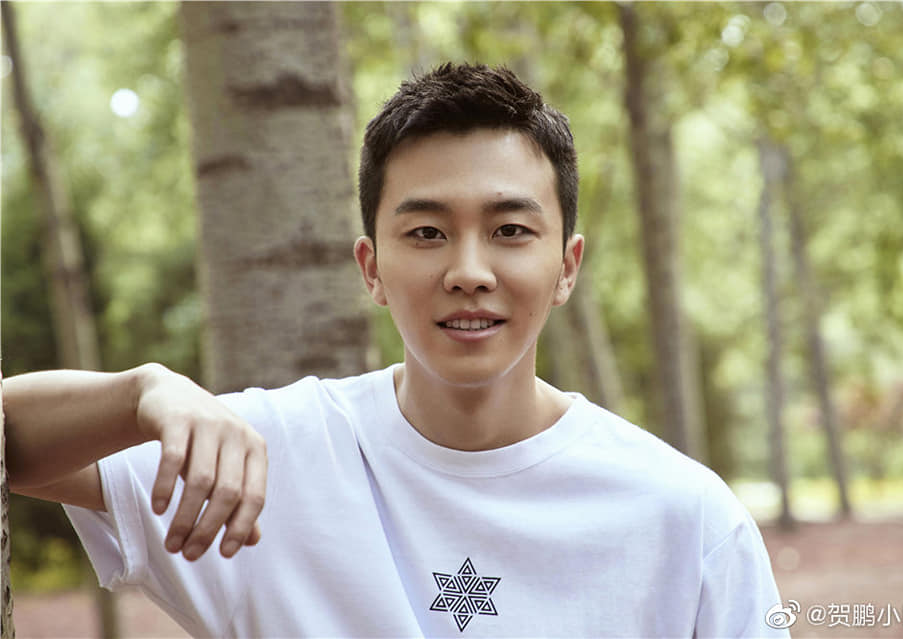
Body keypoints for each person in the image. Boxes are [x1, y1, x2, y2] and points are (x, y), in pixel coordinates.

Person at [5, 63, 788, 638]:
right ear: (371, 267)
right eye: (427, 232)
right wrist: (143, 393)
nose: (469, 271)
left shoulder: (686, 520)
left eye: (511, 230)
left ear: (566, 266)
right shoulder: (266, 455)